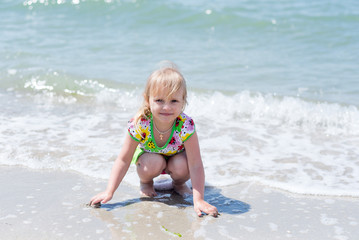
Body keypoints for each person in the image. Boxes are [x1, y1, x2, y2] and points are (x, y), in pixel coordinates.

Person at [90, 62, 218, 217]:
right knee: (152, 163)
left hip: (176, 160)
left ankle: (178, 184)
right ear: (147, 100)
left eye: (174, 101)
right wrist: (109, 191)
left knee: (182, 164)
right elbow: (123, 159)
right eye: (159, 100)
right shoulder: (141, 123)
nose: (166, 107)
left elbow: (196, 164)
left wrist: (199, 200)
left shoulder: (185, 125)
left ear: (183, 101)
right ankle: (146, 183)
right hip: (149, 159)